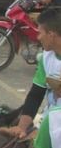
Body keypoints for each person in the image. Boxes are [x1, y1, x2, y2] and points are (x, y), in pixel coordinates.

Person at [14, 8, 61, 137]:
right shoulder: (46, 58)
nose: (38, 37)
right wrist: (21, 129)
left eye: (40, 33)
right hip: (51, 121)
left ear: (51, 35)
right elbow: (35, 95)